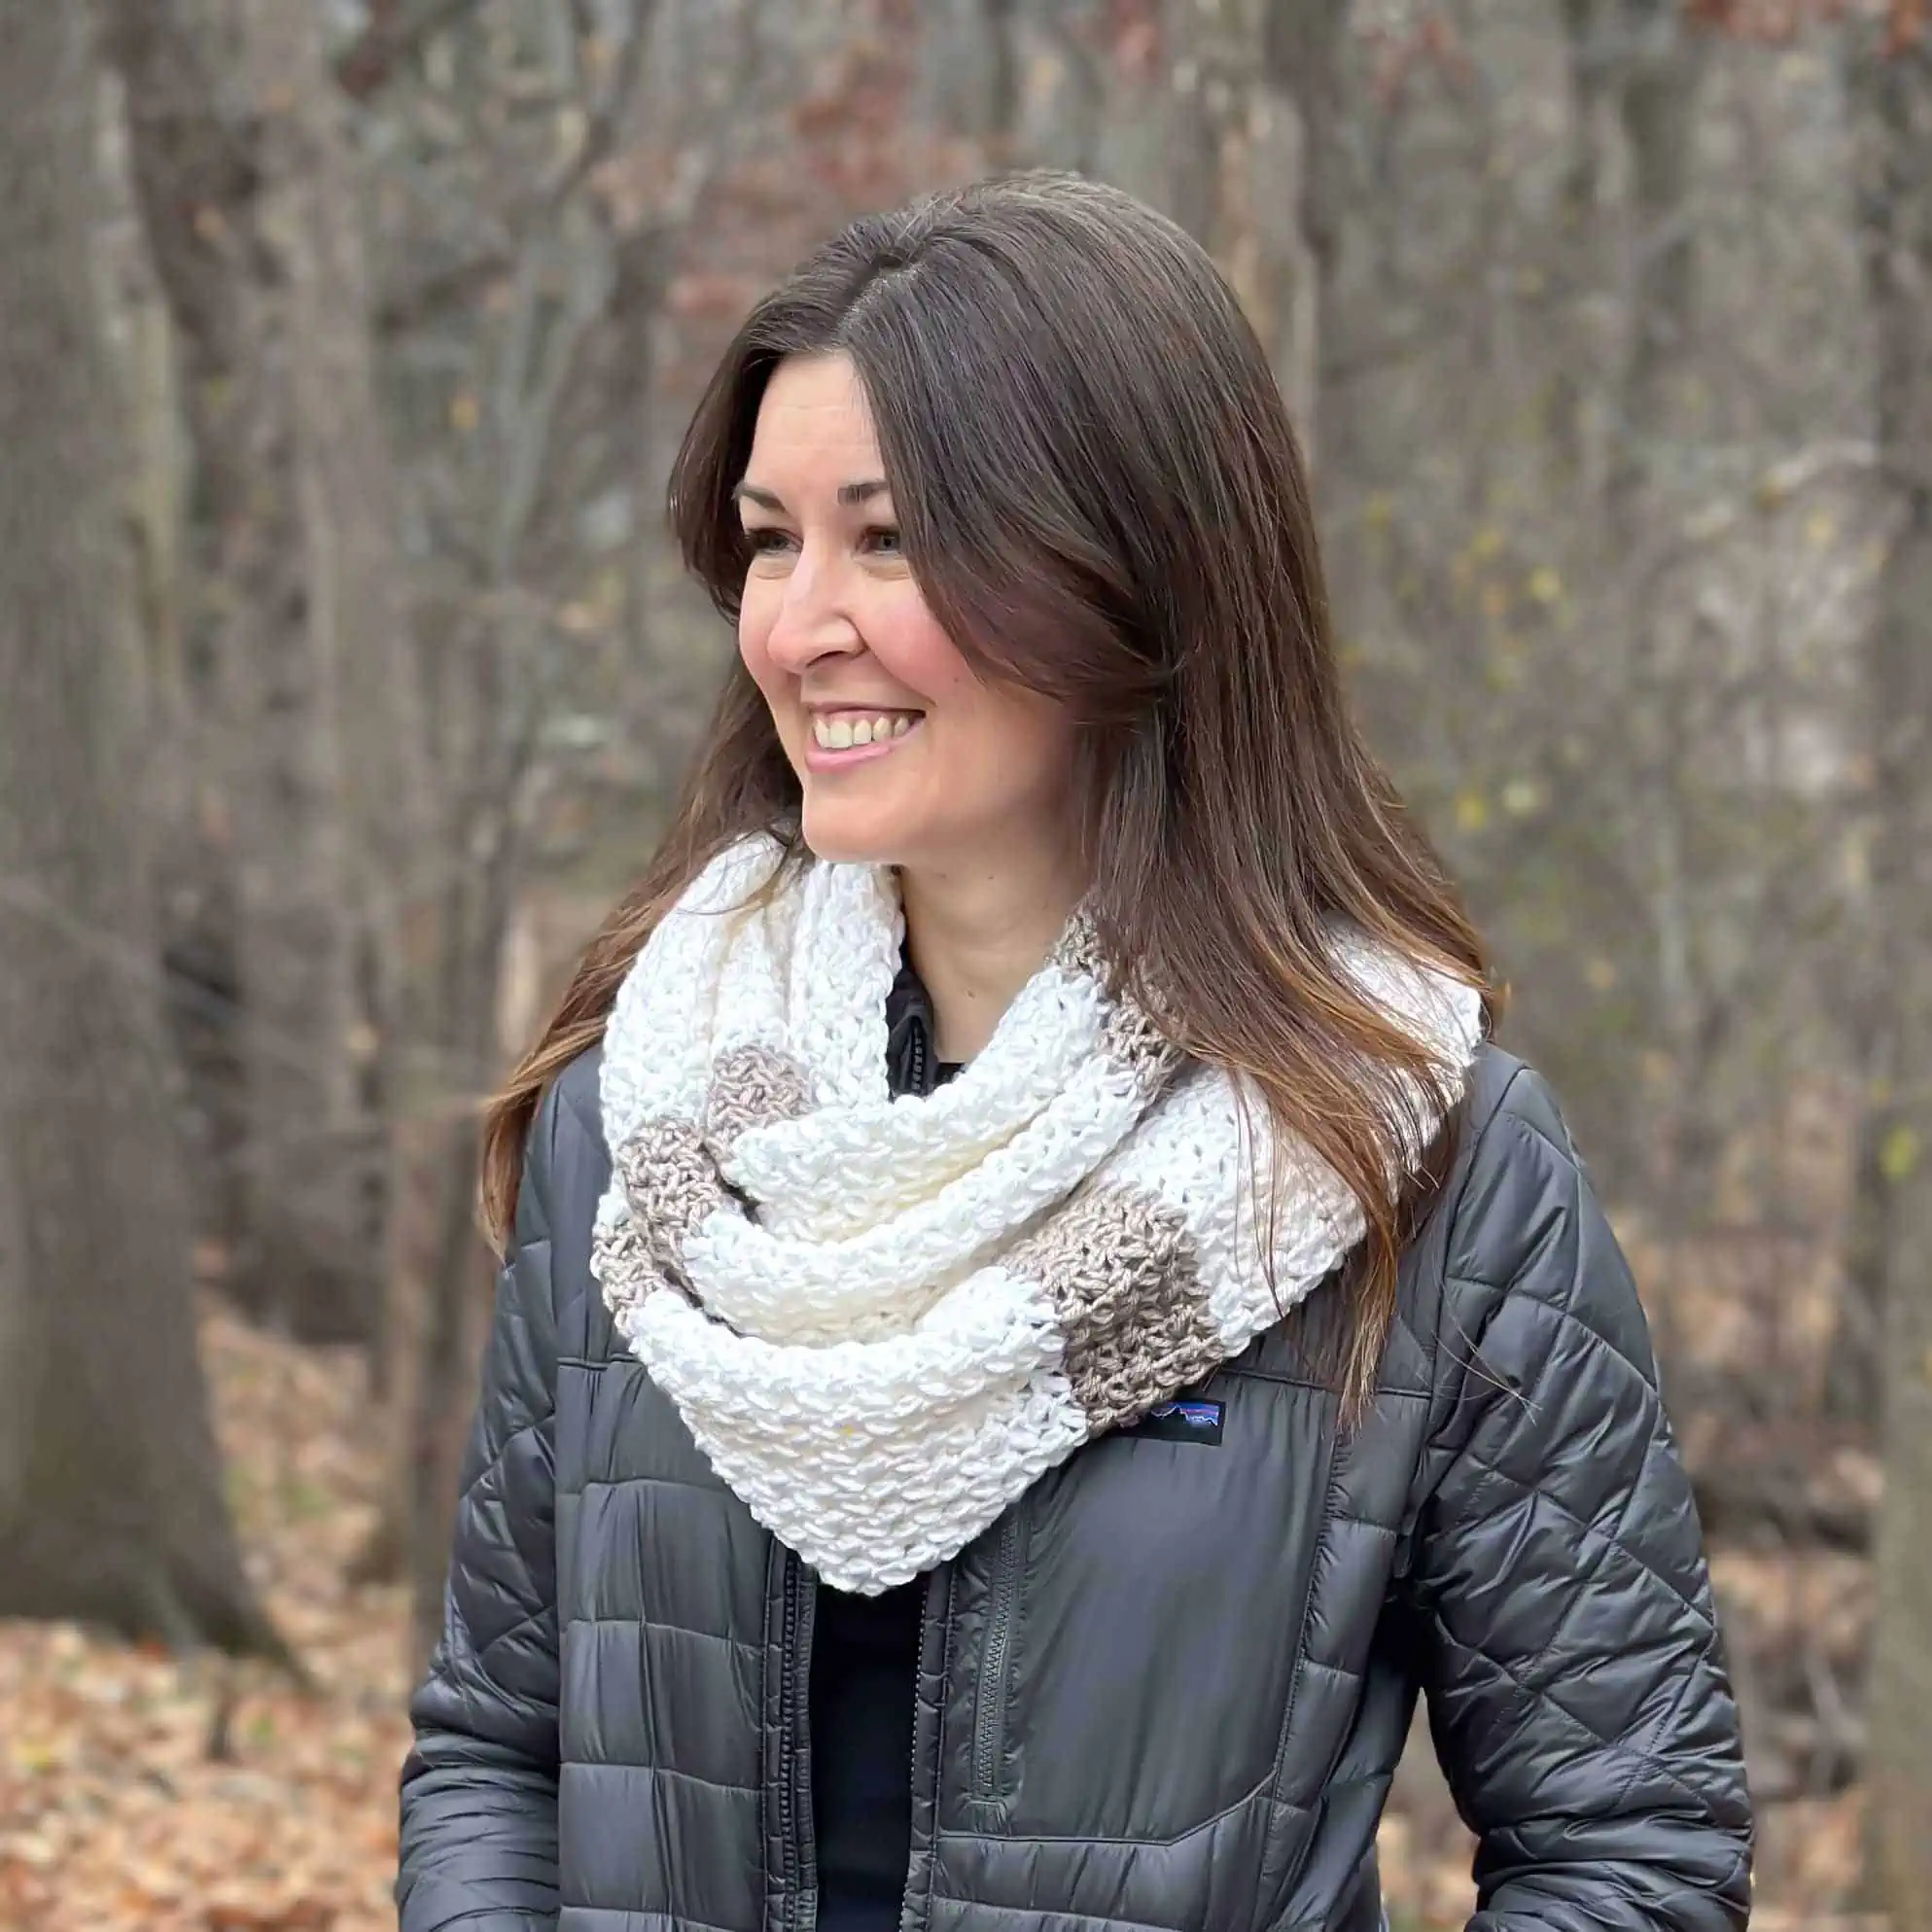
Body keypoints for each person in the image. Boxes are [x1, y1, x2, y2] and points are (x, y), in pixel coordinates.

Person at [396, 171, 1752, 1932]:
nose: (803, 624)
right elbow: (501, 1746)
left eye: (887, 539)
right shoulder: (646, 1120)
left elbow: (1630, 1847)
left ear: (1129, 571)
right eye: (768, 537)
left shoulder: (1402, 1161)